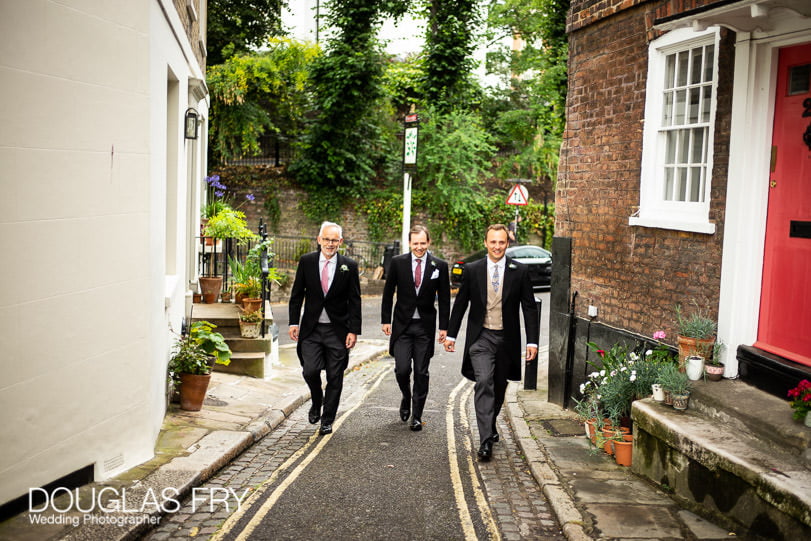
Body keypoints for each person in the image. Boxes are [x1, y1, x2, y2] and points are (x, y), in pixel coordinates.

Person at [444, 224, 539, 461]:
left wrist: (533, 342)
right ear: (485, 243)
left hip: (507, 340)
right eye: (493, 242)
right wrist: (451, 335)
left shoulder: (520, 271)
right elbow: (461, 304)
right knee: (484, 381)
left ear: (507, 244)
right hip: (481, 338)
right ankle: (485, 440)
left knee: (498, 386)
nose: (497, 246)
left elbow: (528, 307)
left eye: (502, 242)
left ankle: (490, 423)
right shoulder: (473, 270)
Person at [288, 221, 362, 435]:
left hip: (338, 331)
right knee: (309, 370)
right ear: (319, 239)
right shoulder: (307, 261)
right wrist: (294, 322)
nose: (330, 244)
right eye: (326, 239)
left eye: (334, 240)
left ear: (340, 242)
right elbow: (296, 295)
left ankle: (327, 419)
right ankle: (316, 399)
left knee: (335, 376)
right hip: (311, 329)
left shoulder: (349, 265)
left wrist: (353, 330)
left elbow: (355, 300)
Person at [381, 225, 451, 431]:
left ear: (428, 242)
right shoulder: (398, 263)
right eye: (415, 243)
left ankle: (417, 415)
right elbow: (387, 293)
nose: (419, 247)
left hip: (425, 328)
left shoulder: (439, 265)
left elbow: (445, 298)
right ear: (410, 243)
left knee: (421, 372)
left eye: (422, 243)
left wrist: (444, 328)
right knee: (402, 370)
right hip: (402, 326)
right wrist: (386, 320)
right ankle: (406, 396)